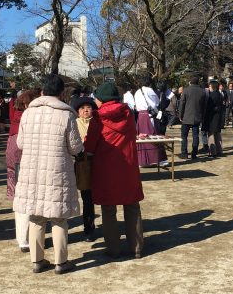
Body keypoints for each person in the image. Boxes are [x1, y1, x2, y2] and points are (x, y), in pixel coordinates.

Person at [13, 74, 84, 275]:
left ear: (43, 91)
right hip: (57, 171)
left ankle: (37, 260)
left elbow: (20, 144)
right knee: (59, 218)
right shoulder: (66, 114)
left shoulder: (28, 113)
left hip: (32, 171)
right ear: (61, 93)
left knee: (36, 217)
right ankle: (61, 262)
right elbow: (75, 146)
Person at [85, 82, 145, 258]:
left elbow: (90, 145)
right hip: (128, 166)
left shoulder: (97, 119)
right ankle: (137, 247)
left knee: (108, 209)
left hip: (106, 169)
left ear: (101, 100)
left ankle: (113, 248)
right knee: (132, 205)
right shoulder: (128, 114)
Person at [5, 89, 40, 253]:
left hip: (13, 163)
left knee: (19, 201)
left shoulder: (15, 119)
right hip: (24, 161)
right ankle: (27, 238)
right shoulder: (29, 118)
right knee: (28, 200)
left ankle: (22, 238)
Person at [70, 96, 97, 242]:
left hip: (96, 163)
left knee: (94, 197)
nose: (85, 110)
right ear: (77, 111)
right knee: (82, 198)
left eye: (88, 107)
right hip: (80, 164)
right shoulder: (74, 124)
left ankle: (92, 228)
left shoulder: (98, 123)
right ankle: (86, 229)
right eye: (82, 108)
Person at [134, 76, 167, 167]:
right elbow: (156, 103)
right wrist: (157, 112)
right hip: (149, 116)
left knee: (141, 137)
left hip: (141, 116)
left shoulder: (137, 92)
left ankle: (142, 161)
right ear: (149, 82)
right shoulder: (150, 90)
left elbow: (136, 105)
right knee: (153, 135)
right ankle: (157, 159)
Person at [178, 75, 206, 159]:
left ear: (190, 82)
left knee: (184, 136)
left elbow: (182, 104)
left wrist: (180, 115)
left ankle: (184, 153)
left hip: (186, 116)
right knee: (195, 136)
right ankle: (194, 153)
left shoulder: (186, 90)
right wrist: (202, 116)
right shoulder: (202, 91)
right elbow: (204, 106)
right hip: (197, 117)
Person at [203, 79, 224, 157]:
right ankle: (219, 151)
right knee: (217, 135)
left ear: (212, 86)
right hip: (218, 117)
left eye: (209, 86)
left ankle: (212, 152)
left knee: (211, 135)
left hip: (212, 118)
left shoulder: (212, 95)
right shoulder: (219, 94)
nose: (209, 87)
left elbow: (209, 107)